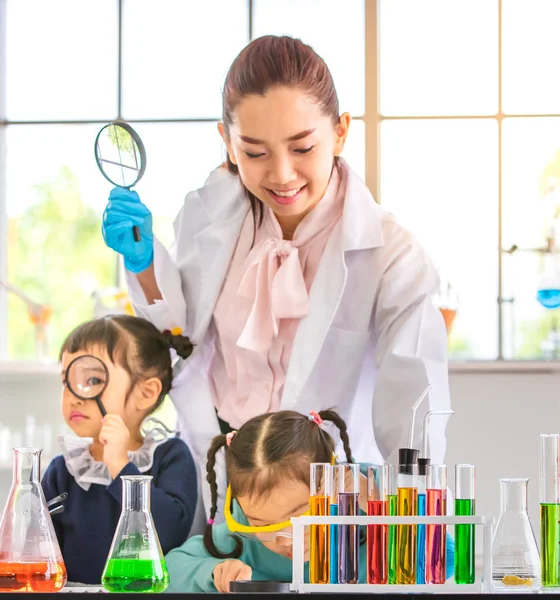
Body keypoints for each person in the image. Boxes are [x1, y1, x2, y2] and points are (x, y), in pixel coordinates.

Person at [101, 34, 451, 531]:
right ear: (226, 140)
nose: (282, 174)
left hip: (324, 502)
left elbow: (416, 394)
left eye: (303, 147)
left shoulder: (390, 252)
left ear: (342, 132)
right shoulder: (209, 217)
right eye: (255, 152)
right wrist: (144, 263)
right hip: (222, 485)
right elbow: (180, 343)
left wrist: (415, 515)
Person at [163, 409, 454, 593]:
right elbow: (170, 569)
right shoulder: (240, 532)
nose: (285, 539)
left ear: (331, 484)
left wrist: (376, 503)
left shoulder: (369, 505)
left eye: (299, 515)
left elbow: (445, 563)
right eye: (261, 523)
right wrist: (213, 572)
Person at [41, 315, 198, 584]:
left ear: (146, 393)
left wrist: (120, 466)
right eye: (67, 382)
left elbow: (170, 532)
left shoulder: (170, 456)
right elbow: (40, 548)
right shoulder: (63, 470)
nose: (74, 396)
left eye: (92, 380)